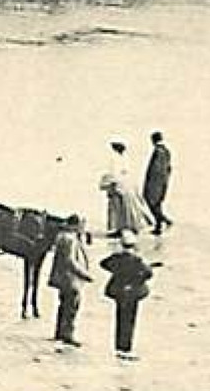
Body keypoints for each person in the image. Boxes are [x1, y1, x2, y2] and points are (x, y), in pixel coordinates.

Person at [99, 231, 152, 359]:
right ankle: (126, 346)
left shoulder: (116, 259)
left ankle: (119, 345)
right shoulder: (137, 260)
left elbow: (104, 264)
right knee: (130, 319)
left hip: (119, 292)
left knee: (119, 317)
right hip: (133, 293)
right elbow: (148, 273)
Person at [48, 214, 93, 346]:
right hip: (70, 279)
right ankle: (67, 334)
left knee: (63, 305)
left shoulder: (63, 236)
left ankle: (59, 332)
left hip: (62, 278)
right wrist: (85, 274)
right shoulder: (70, 239)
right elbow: (70, 261)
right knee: (71, 307)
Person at [101, 140, 157, 236]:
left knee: (119, 209)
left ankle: (121, 228)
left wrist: (109, 183)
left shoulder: (116, 159)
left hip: (119, 186)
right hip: (127, 185)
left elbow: (114, 173)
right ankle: (129, 227)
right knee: (128, 208)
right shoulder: (124, 159)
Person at [144, 131, 173, 235]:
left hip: (155, 182)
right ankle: (161, 222)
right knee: (157, 202)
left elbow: (156, 169)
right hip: (163, 181)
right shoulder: (166, 151)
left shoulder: (158, 151)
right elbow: (169, 168)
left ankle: (160, 222)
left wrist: (149, 182)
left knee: (152, 201)